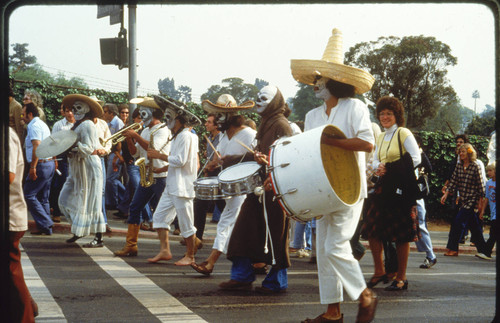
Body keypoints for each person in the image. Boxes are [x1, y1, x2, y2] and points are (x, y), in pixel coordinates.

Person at [291, 28, 377, 322]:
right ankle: (332, 312)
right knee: (324, 251)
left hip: (351, 189)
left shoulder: (355, 108)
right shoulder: (313, 116)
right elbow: (304, 153)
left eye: (321, 80)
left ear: (336, 83)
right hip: (321, 190)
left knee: (335, 246)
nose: (316, 84)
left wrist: (332, 141)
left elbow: (367, 143)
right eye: (315, 79)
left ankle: (365, 296)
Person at [219, 85, 292, 294]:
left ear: (275, 102)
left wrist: (269, 163)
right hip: (258, 188)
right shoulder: (266, 124)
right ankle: (241, 276)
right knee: (243, 231)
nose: (258, 100)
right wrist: (229, 160)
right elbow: (255, 155)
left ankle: (277, 281)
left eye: (264, 98)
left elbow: (288, 160)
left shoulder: (281, 126)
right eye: (258, 97)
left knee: (276, 237)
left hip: (275, 189)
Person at [361, 96, 421, 294]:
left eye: (389, 113)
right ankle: (380, 271)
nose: (384, 117)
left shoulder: (403, 133)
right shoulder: (380, 136)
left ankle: (401, 277)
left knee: (402, 235)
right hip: (382, 189)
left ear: (397, 115)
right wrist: (378, 168)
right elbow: (377, 159)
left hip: (401, 190)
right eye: (382, 113)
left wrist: (390, 168)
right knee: (372, 229)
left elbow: (416, 158)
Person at [191, 94, 256, 275]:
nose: (217, 120)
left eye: (220, 115)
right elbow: (218, 160)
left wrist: (232, 161)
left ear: (231, 117)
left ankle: (211, 262)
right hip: (230, 188)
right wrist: (213, 164)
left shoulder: (249, 134)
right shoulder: (224, 137)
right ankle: (256, 263)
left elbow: (259, 156)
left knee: (226, 223)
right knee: (237, 226)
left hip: (246, 189)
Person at [146, 95, 201, 266]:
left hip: (182, 187)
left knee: (186, 223)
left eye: (170, 116)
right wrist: (162, 166)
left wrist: (159, 155)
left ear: (180, 118)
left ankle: (190, 255)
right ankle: (165, 250)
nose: (166, 120)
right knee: (159, 218)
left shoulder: (186, 136)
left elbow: (180, 160)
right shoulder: (177, 136)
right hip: (172, 186)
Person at [114, 97, 171, 257]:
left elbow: (154, 148)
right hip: (147, 175)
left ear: (152, 113)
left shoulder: (163, 130)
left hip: (161, 175)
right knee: (135, 207)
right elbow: (135, 152)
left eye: (144, 112)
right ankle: (131, 245)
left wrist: (135, 135)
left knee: (167, 211)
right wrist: (129, 138)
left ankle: (191, 240)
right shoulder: (145, 130)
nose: (141, 115)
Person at [58, 94, 107, 247]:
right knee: (65, 199)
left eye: (79, 107)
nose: (75, 110)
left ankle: (98, 238)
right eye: (74, 108)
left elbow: (88, 148)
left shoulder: (87, 125)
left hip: (89, 168)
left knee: (93, 202)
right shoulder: (79, 124)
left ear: (86, 109)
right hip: (78, 168)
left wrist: (71, 148)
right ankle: (79, 229)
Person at [8, 126, 38, 322]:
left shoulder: (6, 135)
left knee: (10, 274)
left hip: (9, 217)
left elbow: (9, 176)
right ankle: (28, 306)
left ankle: (27, 313)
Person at [441, 143, 489, 259]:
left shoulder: (475, 166)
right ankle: (484, 250)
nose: (461, 154)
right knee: (474, 226)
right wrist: (446, 194)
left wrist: (481, 205)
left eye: (463, 151)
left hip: (472, 200)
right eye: (460, 152)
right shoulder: (459, 166)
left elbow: (481, 187)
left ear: (469, 153)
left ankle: (453, 249)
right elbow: (453, 181)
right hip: (463, 199)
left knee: (457, 222)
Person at [115, 109, 153, 229]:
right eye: (138, 118)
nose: (140, 120)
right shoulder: (128, 129)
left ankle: (142, 220)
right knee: (138, 189)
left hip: (142, 164)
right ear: (134, 119)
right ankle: (148, 219)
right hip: (132, 164)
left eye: (142, 118)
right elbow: (121, 147)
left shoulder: (145, 131)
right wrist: (126, 158)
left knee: (139, 191)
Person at [23, 102, 55, 235]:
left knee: (29, 194)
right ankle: (45, 228)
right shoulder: (42, 124)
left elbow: (37, 146)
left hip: (41, 164)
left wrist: (33, 167)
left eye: (23, 114)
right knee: (43, 197)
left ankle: (46, 222)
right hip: (48, 163)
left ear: (30, 114)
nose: (22, 117)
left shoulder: (34, 126)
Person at [192, 111, 225, 241]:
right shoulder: (210, 138)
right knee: (200, 204)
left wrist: (209, 165)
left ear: (216, 125)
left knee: (223, 207)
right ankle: (197, 237)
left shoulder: (221, 138)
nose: (206, 124)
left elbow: (217, 159)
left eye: (209, 122)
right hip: (211, 174)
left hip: (219, 174)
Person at [49, 104, 75, 223]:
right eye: (67, 111)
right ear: (63, 112)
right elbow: (53, 143)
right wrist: (55, 160)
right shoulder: (58, 125)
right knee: (60, 184)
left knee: (75, 185)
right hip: (62, 157)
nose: (70, 113)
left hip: (75, 158)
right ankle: (56, 212)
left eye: (72, 111)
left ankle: (70, 210)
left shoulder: (79, 124)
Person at [414, 135, 437, 269]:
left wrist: (420, 152)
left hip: (416, 195)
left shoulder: (419, 155)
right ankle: (392, 259)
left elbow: (429, 168)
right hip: (405, 194)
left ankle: (431, 255)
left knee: (420, 225)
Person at [102, 103, 125, 210]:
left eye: (105, 112)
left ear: (111, 113)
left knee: (111, 179)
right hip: (112, 152)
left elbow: (120, 140)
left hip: (117, 153)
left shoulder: (117, 122)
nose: (104, 113)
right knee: (111, 179)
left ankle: (115, 202)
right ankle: (123, 199)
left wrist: (117, 156)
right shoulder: (109, 122)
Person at [481, 162, 496, 258]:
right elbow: (486, 198)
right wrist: (482, 211)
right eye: (487, 171)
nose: (488, 173)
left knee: (494, 232)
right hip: (493, 212)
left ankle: (487, 252)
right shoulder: (489, 183)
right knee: (494, 233)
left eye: (490, 170)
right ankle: (487, 251)